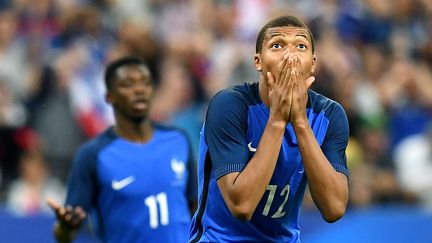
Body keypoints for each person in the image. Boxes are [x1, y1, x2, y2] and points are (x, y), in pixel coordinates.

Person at [189, 15, 350, 242]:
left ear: (313, 63)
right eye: (277, 45)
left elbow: (334, 208)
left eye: (300, 46)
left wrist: (300, 121)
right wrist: (277, 119)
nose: (290, 55)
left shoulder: (330, 115)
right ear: (258, 61)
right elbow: (242, 206)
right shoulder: (230, 106)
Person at [47, 56, 197, 243]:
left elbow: (195, 207)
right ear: (110, 96)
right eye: (128, 84)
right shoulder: (93, 155)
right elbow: (65, 234)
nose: (139, 90)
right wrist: (64, 227)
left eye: (145, 83)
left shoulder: (178, 139)